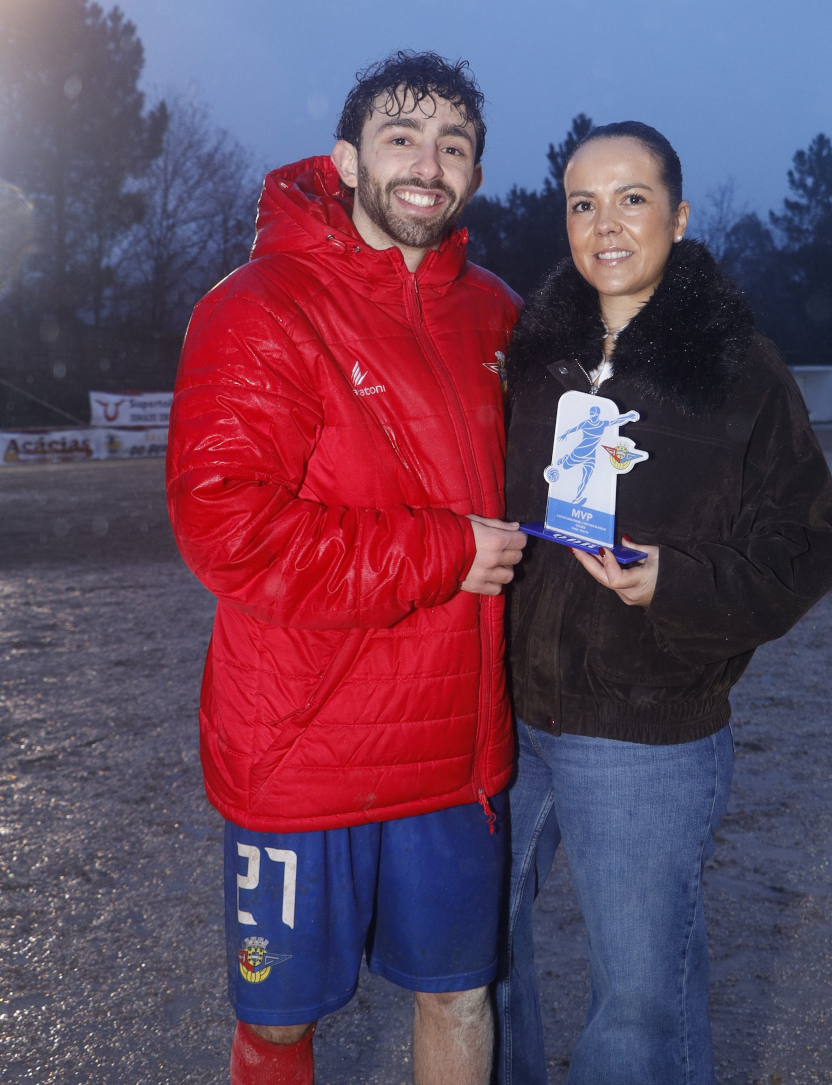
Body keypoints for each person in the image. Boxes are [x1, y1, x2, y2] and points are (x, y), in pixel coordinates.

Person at [166, 52, 525, 1085]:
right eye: (402, 136)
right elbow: (228, 530)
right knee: (280, 1023)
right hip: (299, 751)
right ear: (344, 159)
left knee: (456, 996)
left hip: (453, 755)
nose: (428, 161)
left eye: (453, 144)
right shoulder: (258, 306)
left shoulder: (496, 313)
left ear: (474, 177)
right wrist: (446, 549)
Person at [498, 121, 832, 1084]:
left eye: (632, 198)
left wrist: (676, 581)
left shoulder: (740, 369)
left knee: (638, 1005)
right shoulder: (529, 357)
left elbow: (809, 544)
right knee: (475, 959)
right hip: (507, 720)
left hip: (648, 734)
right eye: (581, 202)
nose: (604, 223)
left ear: (680, 217)